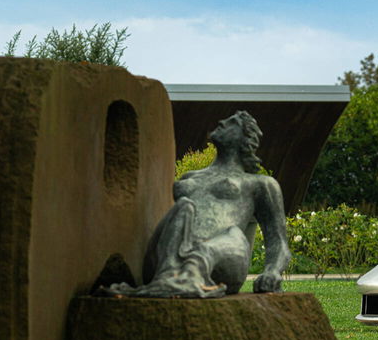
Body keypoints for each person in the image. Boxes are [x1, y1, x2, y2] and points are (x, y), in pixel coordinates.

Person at [101, 111, 290, 298]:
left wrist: (272, 271)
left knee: (236, 235)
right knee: (184, 206)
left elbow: (278, 241)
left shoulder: (260, 184)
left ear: (245, 139)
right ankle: (170, 275)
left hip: (221, 264)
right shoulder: (189, 177)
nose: (222, 122)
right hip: (164, 262)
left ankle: (193, 269)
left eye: (232, 122)